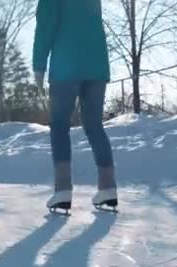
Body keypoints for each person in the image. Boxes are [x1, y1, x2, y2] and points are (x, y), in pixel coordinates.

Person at [33, 0, 118, 211]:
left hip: (65, 67)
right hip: (97, 65)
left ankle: (62, 190)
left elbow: (45, 26)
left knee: (60, 126)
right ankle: (108, 188)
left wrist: (38, 66)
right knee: (94, 126)